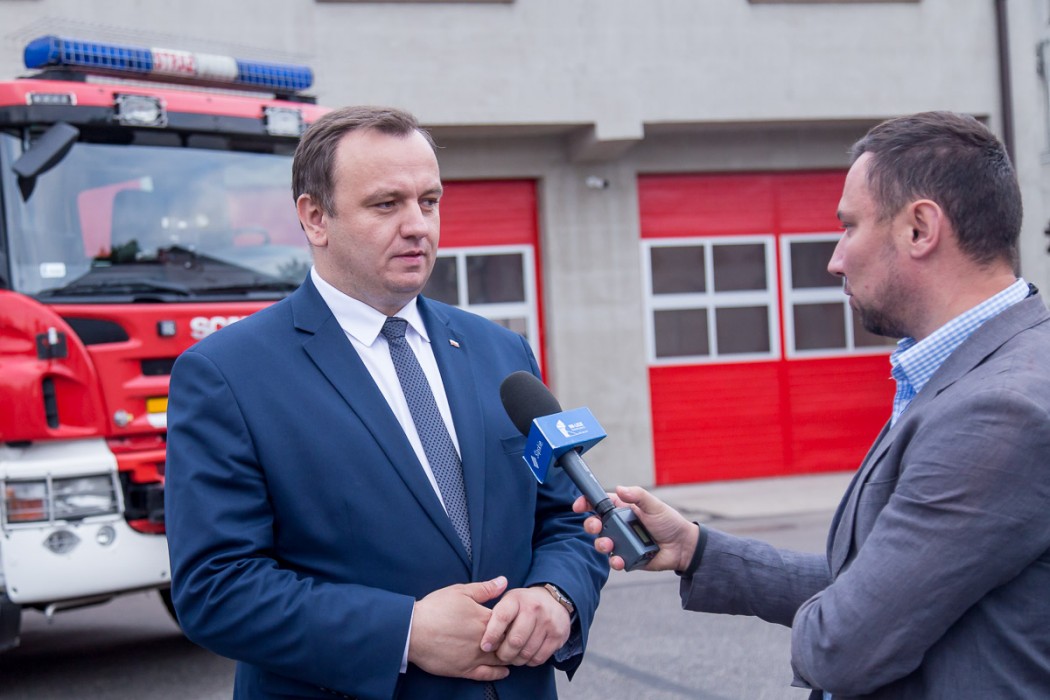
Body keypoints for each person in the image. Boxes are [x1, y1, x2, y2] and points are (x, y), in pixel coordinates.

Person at [575, 111, 1050, 699]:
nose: (835, 259)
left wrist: (840, 620)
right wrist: (694, 549)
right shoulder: (973, 371)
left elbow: (845, 643)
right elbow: (869, 586)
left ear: (920, 229)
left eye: (849, 227)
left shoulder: (999, 411)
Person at [164, 106, 608, 700]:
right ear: (315, 218)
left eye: (429, 201)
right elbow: (216, 588)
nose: (418, 225)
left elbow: (572, 515)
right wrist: (404, 632)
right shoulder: (227, 374)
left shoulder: (501, 352)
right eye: (386, 204)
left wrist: (556, 596)